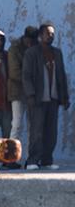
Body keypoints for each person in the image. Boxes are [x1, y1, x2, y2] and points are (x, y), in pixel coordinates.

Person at [22, 23, 69, 170]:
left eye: (53, 34)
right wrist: (30, 94)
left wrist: (65, 97)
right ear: (41, 36)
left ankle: (47, 160)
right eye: (48, 33)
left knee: (51, 132)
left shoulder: (57, 53)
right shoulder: (31, 53)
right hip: (38, 99)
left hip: (53, 98)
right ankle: (32, 160)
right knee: (36, 132)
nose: (51, 36)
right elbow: (26, 76)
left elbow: (62, 76)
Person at [7, 26, 38, 146]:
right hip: (18, 92)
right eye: (29, 41)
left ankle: (32, 154)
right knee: (17, 124)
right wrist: (32, 80)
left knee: (33, 126)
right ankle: (11, 154)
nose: (30, 44)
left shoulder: (37, 49)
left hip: (33, 93)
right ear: (25, 38)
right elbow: (14, 73)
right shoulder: (15, 49)